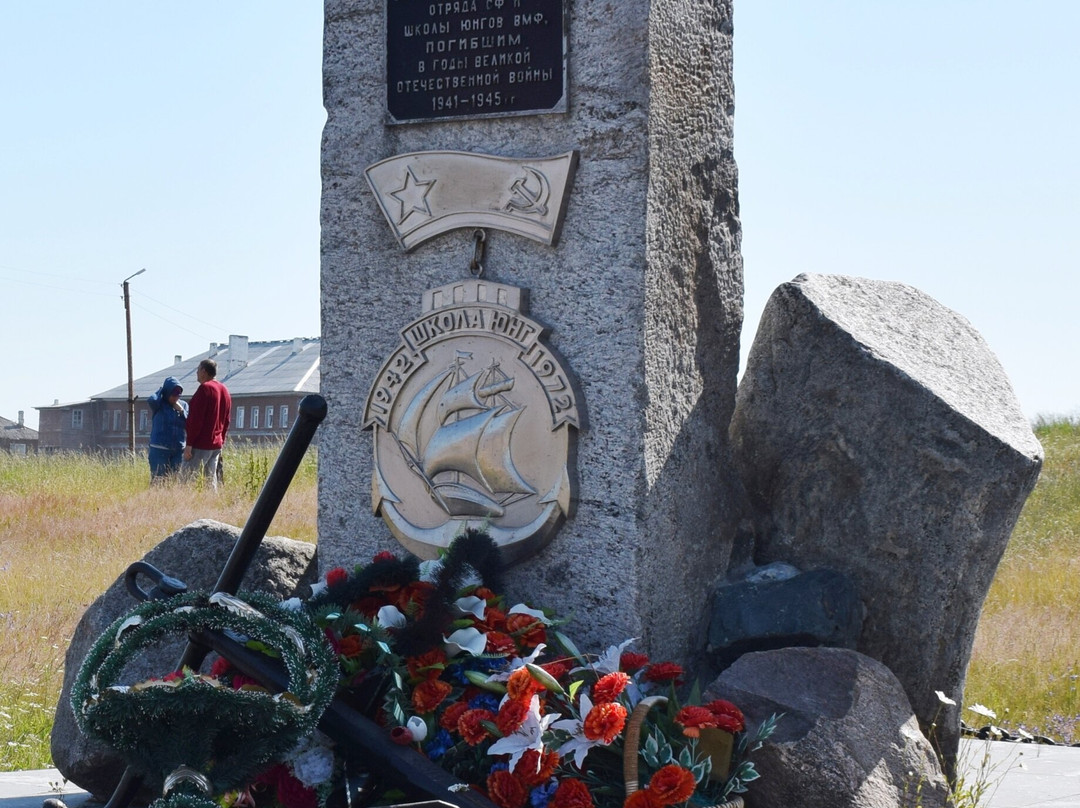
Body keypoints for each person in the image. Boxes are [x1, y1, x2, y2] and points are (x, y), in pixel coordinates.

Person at [183, 358, 232, 490]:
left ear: (204, 371)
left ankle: (185, 506)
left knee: (187, 480)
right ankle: (211, 504)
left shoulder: (205, 388)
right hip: (216, 444)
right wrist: (222, 440)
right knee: (210, 481)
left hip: (201, 444)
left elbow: (196, 419)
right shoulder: (224, 390)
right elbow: (226, 419)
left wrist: (189, 444)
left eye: (198, 370)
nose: (197, 373)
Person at [146, 376, 187, 482]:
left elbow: (189, 422)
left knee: (174, 481)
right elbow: (151, 399)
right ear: (167, 392)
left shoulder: (183, 405)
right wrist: (161, 391)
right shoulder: (159, 404)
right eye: (173, 395)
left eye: (178, 395)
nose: (175, 398)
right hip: (159, 449)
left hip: (178, 450)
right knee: (158, 480)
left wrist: (181, 411)